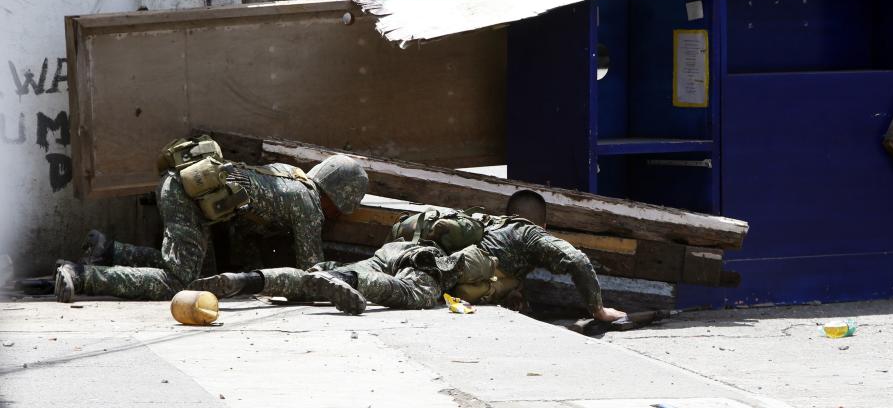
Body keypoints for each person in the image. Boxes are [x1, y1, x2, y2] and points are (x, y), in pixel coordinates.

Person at [193, 190, 627, 322]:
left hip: (397, 247)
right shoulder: (530, 236)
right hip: (430, 268)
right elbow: (579, 263)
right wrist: (599, 308)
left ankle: (249, 280)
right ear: (538, 223)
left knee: (322, 274)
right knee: (404, 293)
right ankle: (350, 286)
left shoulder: (483, 221)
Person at [53, 136, 369, 303]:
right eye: (340, 209)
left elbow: (242, 227)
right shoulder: (309, 203)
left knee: (192, 272)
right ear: (337, 198)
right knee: (178, 283)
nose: (336, 216)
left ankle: (107, 250)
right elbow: (311, 273)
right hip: (187, 193)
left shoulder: (290, 177)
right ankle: (82, 275)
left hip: (180, 184)